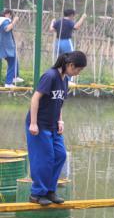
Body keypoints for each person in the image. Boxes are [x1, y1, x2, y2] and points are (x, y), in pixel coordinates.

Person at [26, 51, 87, 205]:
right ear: (70, 65)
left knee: (60, 155)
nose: (77, 73)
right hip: (39, 125)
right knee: (44, 158)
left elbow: (59, 102)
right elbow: (35, 98)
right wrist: (33, 123)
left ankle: (50, 191)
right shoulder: (50, 76)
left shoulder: (64, 79)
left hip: (53, 125)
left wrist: (60, 120)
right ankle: (37, 194)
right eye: (78, 70)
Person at [0, 9, 24, 87]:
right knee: (12, 61)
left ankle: (14, 76)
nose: (11, 18)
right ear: (7, 14)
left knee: (14, 60)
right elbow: (7, 29)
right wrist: (14, 21)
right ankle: (8, 82)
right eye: (11, 16)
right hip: (5, 46)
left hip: (5, 45)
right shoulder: (5, 20)